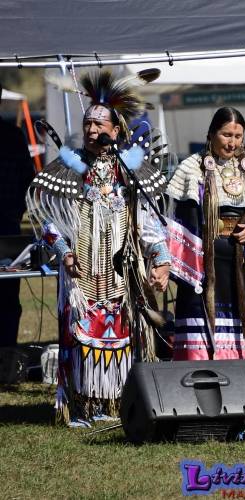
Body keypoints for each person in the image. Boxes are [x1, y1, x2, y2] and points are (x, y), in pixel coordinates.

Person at [27, 70, 170, 426]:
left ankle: (112, 402)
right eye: (87, 123)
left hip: (119, 269)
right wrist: (64, 251)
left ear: (116, 130)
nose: (91, 130)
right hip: (81, 270)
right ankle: (79, 404)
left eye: (99, 125)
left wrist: (161, 259)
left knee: (118, 334)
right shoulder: (68, 168)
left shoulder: (128, 171)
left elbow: (148, 223)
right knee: (80, 335)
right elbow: (46, 221)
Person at [166, 107, 245, 388]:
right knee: (203, 316)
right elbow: (175, 217)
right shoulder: (191, 168)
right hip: (206, 258)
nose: (232, 142)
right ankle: (200, 378)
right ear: (211, 134)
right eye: (226, 134)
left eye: (238, 136)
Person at [0, 83, 35, 348]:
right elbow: (28, 181)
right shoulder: (13, 135)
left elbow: (27, 182)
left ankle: (6, 356)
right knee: (8, 299)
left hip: (7, 226)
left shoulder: (12, 136)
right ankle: (6, 354)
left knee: (8, 298)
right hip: (8, 225)